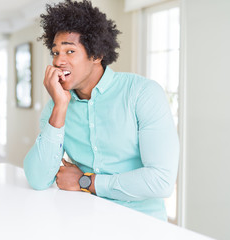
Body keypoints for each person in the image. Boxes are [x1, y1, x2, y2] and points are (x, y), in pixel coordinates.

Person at [24, 0, 179, 221]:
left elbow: (161, 181)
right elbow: (38, 179)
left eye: (70, 51)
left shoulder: (142, 93)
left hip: (142, 225)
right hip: (84, 220)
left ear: (96, 55)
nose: (59, 61)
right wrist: (59, 107)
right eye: (55, 52)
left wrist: (85, 181)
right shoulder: (58, 104)